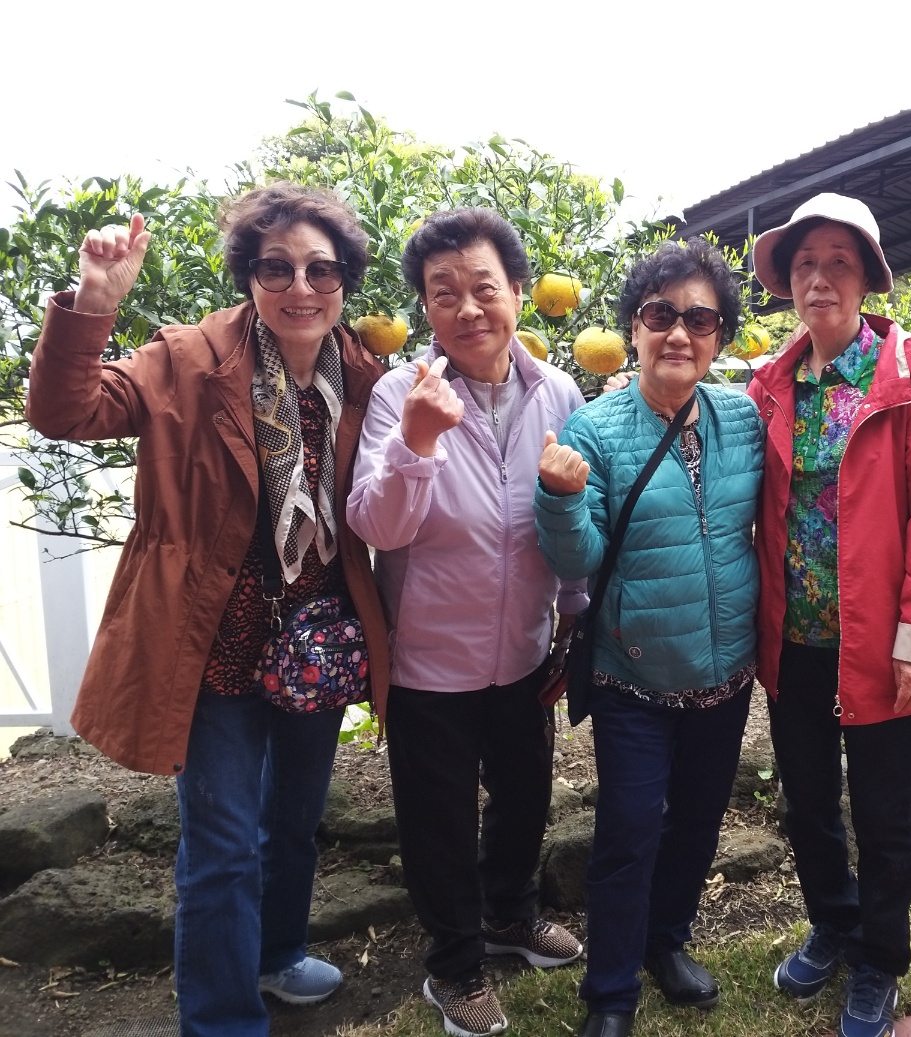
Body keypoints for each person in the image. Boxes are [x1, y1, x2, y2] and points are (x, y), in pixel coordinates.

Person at [24, 183, 391, 1037]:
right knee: (222, 843)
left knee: (294, 819)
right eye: (276, 267)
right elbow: (66, 411)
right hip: (214, 642)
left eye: (321, 269)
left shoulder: (364, 373)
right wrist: (93, 306)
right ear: (248, 275)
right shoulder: (190, 359)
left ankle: (277, 952)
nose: (300, 287)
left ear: (345, 280)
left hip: (316, 641)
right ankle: (222, 1020)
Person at [346, 207, 586, 1037]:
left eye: (484, 286)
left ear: (518, 290)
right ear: (425, 307)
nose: (468, 307)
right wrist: (416, 443)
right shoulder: (400, 394)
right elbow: (378, 526)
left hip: (524, 650)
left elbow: (572, 510)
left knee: (523, 795)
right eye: (443, 292)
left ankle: (510, 914)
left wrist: (573, 613)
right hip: (428, 660)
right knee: (438, 820)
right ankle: (453, 965)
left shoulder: (558, 391)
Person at [533, 238, 763, 1037]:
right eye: (661, 314)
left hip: (725, 672)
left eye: (700, 319)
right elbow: (579, 560)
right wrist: (560, 497)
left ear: (720, 335)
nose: (679, 333)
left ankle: (667, 941)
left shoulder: (742, 417)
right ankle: (610, 992)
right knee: (629, 831)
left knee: (696, 822)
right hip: (633, 675)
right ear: (634, 326)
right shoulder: (593, 428)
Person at [748, 193, 911, 1037]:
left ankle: (881, 957)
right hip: (794, 639)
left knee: (882, 810)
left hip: (877, 643)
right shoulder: (771, 383)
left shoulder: (907, 374)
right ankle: (833, 922)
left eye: (839, 262)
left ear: (867, 277)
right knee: (807, 802)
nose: (819, 279)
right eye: (805, 264)